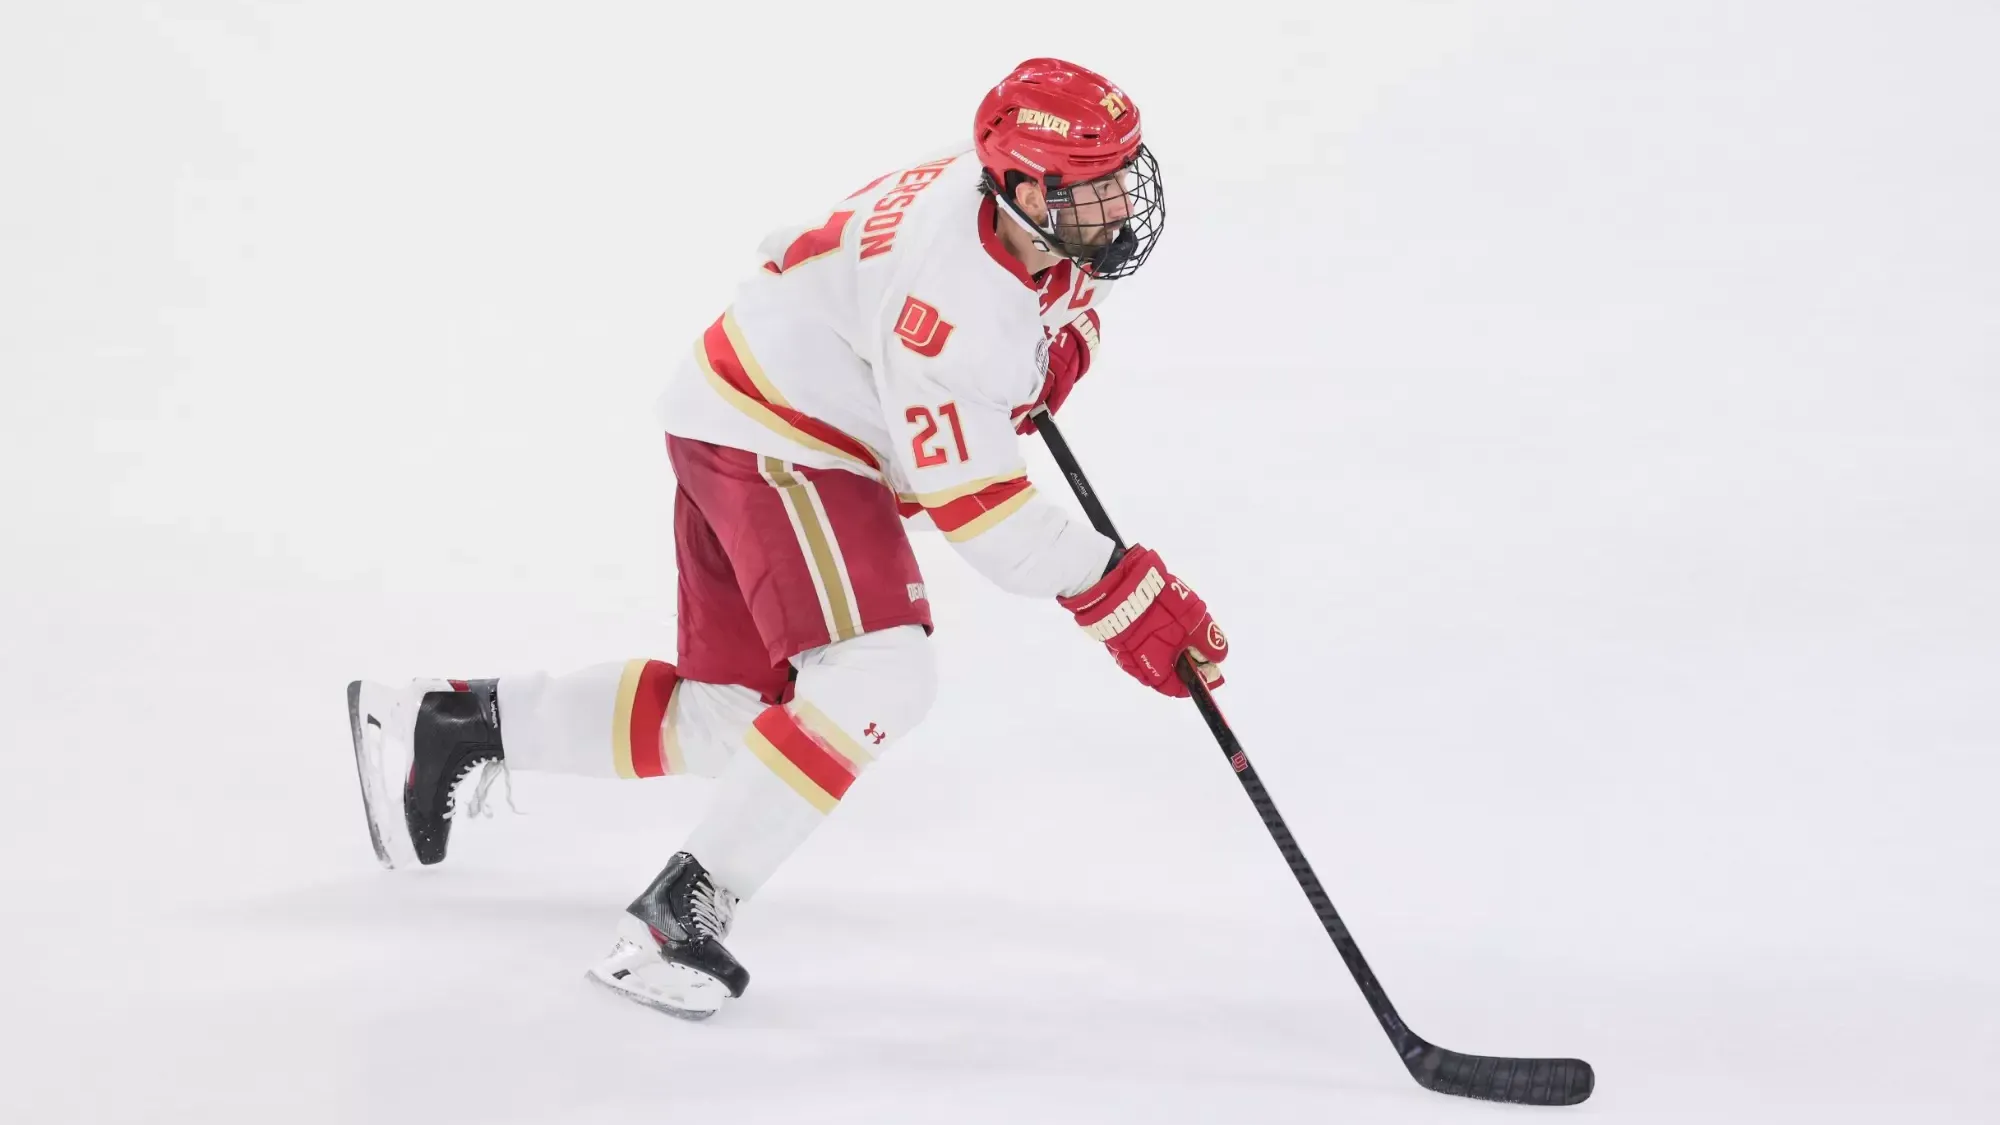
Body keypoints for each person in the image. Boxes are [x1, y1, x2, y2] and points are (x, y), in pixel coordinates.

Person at [344, 57, 1231, 1020]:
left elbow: (1031, 313)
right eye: (1089, 187)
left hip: (744, 405)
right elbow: (981, 513)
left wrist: (1053, 349)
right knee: (880, 676)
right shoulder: (953, 307)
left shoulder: (1003, 214)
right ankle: (669, 924)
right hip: (782, 438)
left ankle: (447, 727)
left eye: (1118, 176)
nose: (1114, 205)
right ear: (1020, 185)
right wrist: (1116, 586)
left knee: (735, 717)